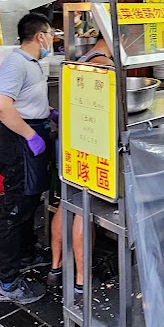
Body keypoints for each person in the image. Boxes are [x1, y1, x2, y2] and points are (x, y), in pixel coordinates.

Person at [0, 12, 56, 304]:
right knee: (16, 209)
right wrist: (31, 134)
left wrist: (47, 113)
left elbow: (26, 101)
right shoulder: (16, 64)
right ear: (40, 36)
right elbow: (2, 107)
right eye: (51, 34)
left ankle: (27, 254)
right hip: (18, 144)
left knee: (29, 201)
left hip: (30, 135)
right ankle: (7, 283)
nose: (52, 40)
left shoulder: (33, 63)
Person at [46, 34, 111, 293]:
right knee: (85, 209)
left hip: (71, 142)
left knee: (66, 202)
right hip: (90, 143)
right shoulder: (105, 65)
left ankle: (56, 267)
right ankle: (82, 281)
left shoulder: (81, 60)